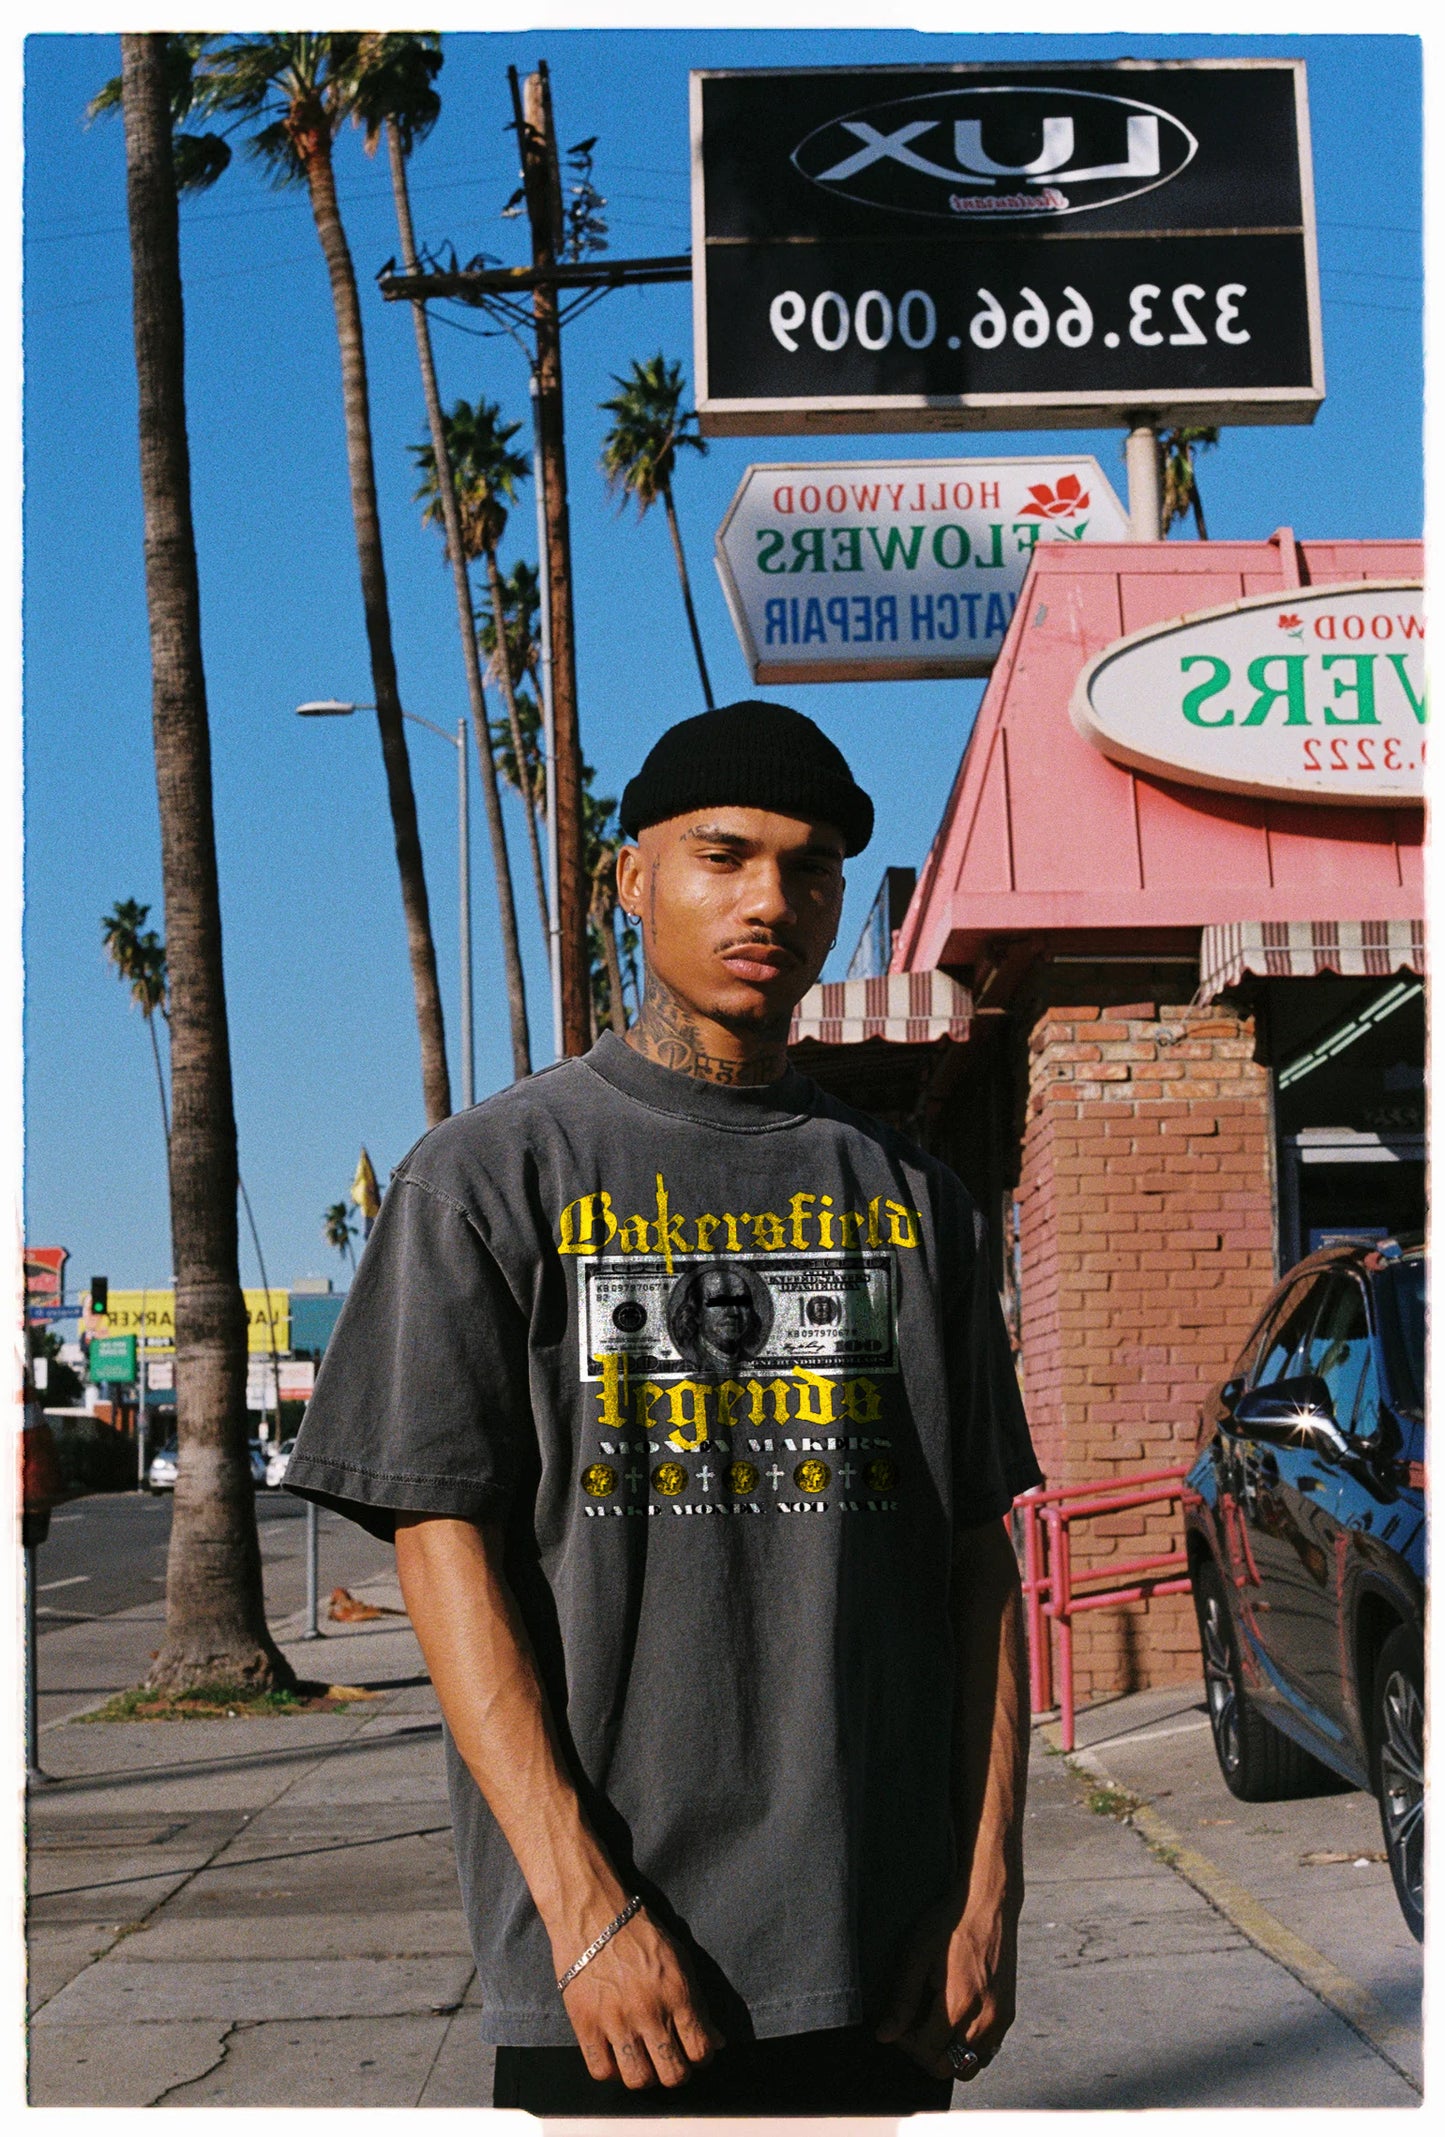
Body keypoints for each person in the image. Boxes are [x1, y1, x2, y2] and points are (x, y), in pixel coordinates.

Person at [285, 699, 1043, 2116]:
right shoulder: (487, 1178)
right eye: (722, 854)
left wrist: (988, 1883)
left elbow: (975, 1567)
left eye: (809, 867)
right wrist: (581, 1906)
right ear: (629, 879)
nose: (771, 899)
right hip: (616, 1973)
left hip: (883, 1960)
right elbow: (439, 1549)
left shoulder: (913, 1201)